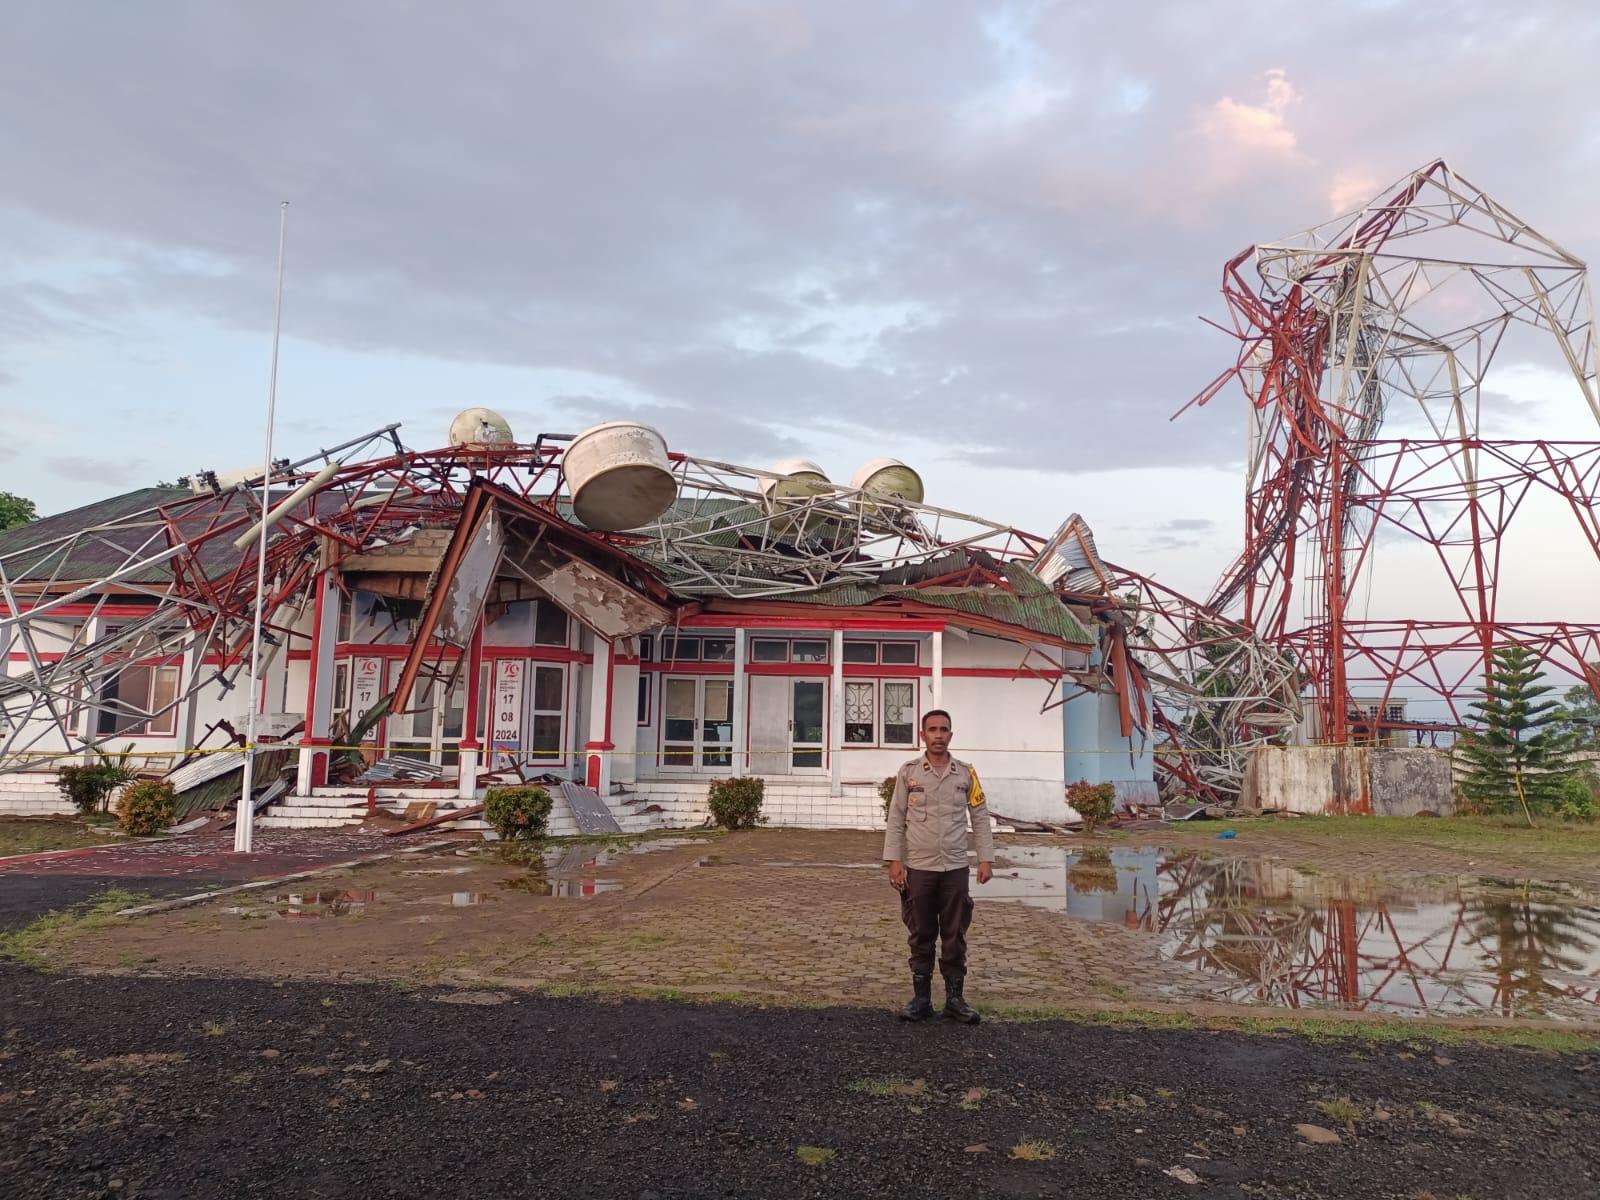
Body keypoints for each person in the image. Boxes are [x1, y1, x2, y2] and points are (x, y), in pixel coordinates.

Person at [882, 709, 993, 1023]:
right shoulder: (909, 773)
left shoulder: (966, 774)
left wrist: (985, 858)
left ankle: (955, 1000)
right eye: (932, 729)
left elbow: (980, 816)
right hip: (919, 868)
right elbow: (896, 819)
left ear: (951, 735)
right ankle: (921, 1000)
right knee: (921, 933)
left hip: (955, 867)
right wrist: (894, 861)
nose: (939, 735)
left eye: (944, 729)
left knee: (955, 933)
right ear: (922, 735)